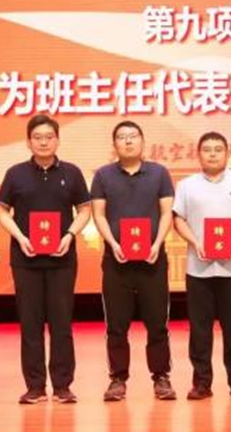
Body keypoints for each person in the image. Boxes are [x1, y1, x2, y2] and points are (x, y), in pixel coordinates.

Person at [0, 115, 91, 404]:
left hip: (62, 260)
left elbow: (84, 210)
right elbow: (1, 210)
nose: (43, 142)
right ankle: (35, 386)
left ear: (57, 140)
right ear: (28, 142)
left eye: (49, 136)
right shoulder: (16, 174)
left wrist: (70, 235)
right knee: (30, 323)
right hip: (26, 259)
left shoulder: (72, 173)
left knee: (62, 323)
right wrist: (20, 236)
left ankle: (62, 385)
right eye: (37, 137)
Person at [173, 132, 231, 400]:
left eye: (218, 149)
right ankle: (201, 383)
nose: (212, 154)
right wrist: (194, 242)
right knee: (199, 330)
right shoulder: (186, 185)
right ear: (199, 154)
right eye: (207, 149)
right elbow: (178, 219)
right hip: (198, 269)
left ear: (227, 153)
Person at [91, 121, 176, 402]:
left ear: (142, 141)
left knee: (157, 323)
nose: (128, 141)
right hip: (115, 260)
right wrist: (113, 243)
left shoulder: (159, 173)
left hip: (152, 260)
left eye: (133, 136)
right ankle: (117, 378)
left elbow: (167, 212)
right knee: (116, 325)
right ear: (114, 144)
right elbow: (99, 214)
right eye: (121, 137)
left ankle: (161, 377)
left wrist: (157, 244)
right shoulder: (103, 175)